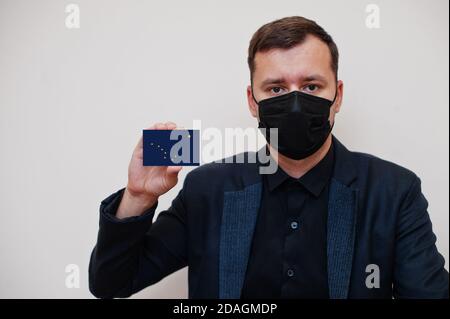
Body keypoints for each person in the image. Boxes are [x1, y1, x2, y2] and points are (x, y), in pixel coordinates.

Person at [89, 16, 449, 299]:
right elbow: (111, 283)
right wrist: (138, 197)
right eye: (276, 88)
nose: (294, 103)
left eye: (311, 87)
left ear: (337, 96)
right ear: (252, 101)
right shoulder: (207, 189)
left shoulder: (393, 191)